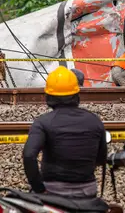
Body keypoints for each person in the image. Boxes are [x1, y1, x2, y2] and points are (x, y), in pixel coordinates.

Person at [23, 66, 107, 197]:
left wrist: (39, 188)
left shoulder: (42, 122)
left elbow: (29, 156)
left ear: (48, 96)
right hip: (87, 192)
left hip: (53, 192)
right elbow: (101, 158)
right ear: (76, 94)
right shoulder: (94, 120)